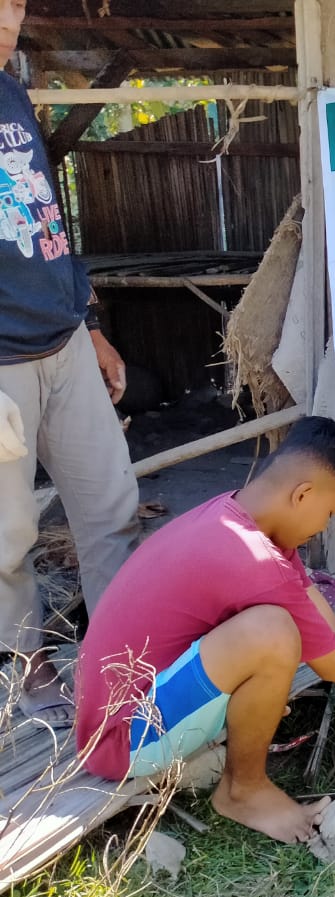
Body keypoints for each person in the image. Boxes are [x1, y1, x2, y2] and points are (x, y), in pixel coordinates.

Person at [74, 417, 335, 843]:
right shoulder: (252, 557)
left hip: (135, 712)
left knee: (276, 628)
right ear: (303, 494)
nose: (324, 525)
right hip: (123, 741)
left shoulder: (243, 522)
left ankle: (229, 768)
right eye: (331, 512)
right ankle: (243, 791)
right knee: (270, 632)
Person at [1, 0, 139, 727]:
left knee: (111, 507)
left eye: (15, 3)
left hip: (61, 342)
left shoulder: (11, 91)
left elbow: (48, 223)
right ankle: (27, 671)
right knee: (6, 537)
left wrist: (88, 324)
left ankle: (122, 658)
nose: (5, 17)